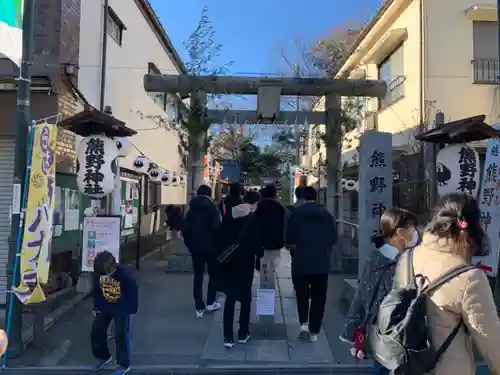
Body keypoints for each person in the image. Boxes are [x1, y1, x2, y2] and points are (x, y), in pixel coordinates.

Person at [391, 192, 500, 375]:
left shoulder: (407, 257)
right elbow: (490, 340)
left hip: (407, 365)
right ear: (472, 228)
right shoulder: (470, 278)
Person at [340, 207, 417, 374]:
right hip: (393, 333)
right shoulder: (401, 261)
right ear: (400, 232)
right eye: (411, 227)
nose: (415, 232)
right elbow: (364, 294)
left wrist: (350, 329)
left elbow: (361, 294)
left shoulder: (378, 257)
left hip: (383, 332)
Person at [285, 186, 337, 343]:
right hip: (321, 263)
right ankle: (314, 330)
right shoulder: (327, 216)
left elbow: (288, 239)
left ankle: (303, 324)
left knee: (301, 294)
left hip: (300, 262)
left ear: (302, 198)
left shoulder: (295, 215)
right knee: (319, 297)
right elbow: (333, 238)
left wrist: (297, 248)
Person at [218, 190, 263, 348]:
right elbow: (257, 243)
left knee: (229, 299)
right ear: (254, 204)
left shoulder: (229, 215)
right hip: (245, 262)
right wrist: (260, 254)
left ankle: (228, 337)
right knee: (245, 298)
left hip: (229, 261)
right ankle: (243, 333)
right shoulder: (253, 220)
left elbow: (220, 235)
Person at [91, 251, 138, 375]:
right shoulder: (98, 273)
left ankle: (124, 364)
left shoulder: (124, 274)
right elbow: (96, 290)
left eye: (107, 272)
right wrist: (96, 307)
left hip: (122, 306)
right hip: (105, 305)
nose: (104, 275)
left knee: (120, 333)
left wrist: (132, 308)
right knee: (97, 330)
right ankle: (103, 356)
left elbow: (133, 290)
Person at [182, 184, 222, 318]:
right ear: (210, 194)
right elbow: (217, 228)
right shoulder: (213, 209)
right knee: (214, 275)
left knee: (197, 277)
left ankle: (199, 307)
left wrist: (190, 245)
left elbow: (185, 230)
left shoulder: (191, 210)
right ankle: (211, 302)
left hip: (196, 248)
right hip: (212, 249)